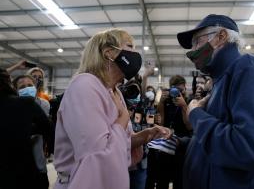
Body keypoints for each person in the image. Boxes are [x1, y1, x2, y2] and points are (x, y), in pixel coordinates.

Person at [53, 28, 171, 189]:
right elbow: (97, 154)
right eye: (130, 46)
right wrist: (123, 116)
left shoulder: (114, 91)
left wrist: (144, 136)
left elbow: (117, 139)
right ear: (109, 53)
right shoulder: (85, 86)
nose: (136, 54)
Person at [177, 14, 254, 189]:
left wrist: (196, 115)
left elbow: (251, 150)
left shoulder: (247, 69)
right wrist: (182, 144)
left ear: (221, 37)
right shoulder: (221, 81)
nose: (192, 51)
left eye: (197, 41)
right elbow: (219, 140)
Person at [0, 68, 50, 189]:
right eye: (22, 87)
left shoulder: (44, 103)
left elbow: (48, 129)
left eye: (29, 85)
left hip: (38, 160)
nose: (27, 89)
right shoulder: (13, 106)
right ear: (14, 89)